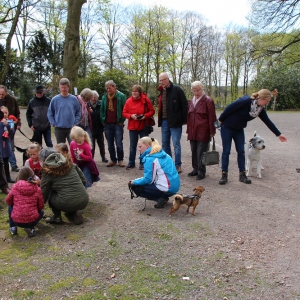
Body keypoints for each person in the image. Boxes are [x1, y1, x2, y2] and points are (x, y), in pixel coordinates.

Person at [218, 89, 287, 185]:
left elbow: (267, 122)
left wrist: (278, 134)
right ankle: (224, 175)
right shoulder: (245, 101)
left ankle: (242, 174)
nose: (268, 103)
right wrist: (220, 121)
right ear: (262, 99)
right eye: (267, 100)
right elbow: (229, 108)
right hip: (227, 127)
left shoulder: (260, 109)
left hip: (239, 130)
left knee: (241, 151)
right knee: (226, 151)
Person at [129, 137, 180, 209]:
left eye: (140, 147)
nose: (139, 149)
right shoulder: (164, 153)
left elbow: (148, 180)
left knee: (135, 186)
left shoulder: (150, 158)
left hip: (167, 188)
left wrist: (134, 182)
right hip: (175, 187)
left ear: (147, 146)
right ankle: (163, 197)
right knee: (139, 182)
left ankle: (160, 199)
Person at [41, 152, 89, 225]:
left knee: (52, 193)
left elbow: (44, 192)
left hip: (66, 202)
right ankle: (73, 212)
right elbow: (83, 180)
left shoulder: (48, 173)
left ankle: (57, 217)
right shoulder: (72, 165)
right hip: (84, 200)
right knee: (67, 194)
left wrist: (39, 207)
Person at [157, 72, 188, 174]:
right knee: (165, 144)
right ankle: (168, 164)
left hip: (175, 122)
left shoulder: (177, 90)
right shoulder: (161, 91)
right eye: (160, 80)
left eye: (163, 80)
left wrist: (184, 120)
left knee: (176, 144)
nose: (161, 82)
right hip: (164, 121)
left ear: (168, 79)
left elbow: (184, 105)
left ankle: (178, 165)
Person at [186, 81, 217, 180]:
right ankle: (195, 169)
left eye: (197, 90)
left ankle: (201, 171)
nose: (195, 92)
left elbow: (212, 117)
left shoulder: (208, 100)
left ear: (202, 89)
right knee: (194, 150)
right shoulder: (192, 101)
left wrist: (212, 131)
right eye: (194, 90)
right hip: (192, 130)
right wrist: (188, 129)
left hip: (203, 129)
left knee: (201, 152)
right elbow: (189, 116)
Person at [122, 85, 155, 170]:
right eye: (133, 91)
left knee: (144, 145)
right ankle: (131, 162)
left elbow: (152, 111)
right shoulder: (128, 101)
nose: (134, 93)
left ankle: (143, 163)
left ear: (140, 92)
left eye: (136, 91)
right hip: (133, 127)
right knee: (132, 145)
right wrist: (131, 116)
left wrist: (145, 116)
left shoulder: (145, 99)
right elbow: (124, 113)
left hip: (143, 126)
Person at [5, 166, 44, 237]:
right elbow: (41, 205)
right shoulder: (37, 189)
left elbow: (8, 200)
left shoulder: (15, 187)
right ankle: (31, 228)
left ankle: (13, 227)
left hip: (16, 220)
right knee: (41, 212)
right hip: (32, 220)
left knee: (10, 206)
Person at [100, 80, 127, 167]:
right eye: (107, 88)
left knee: (119, 143)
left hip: (117, 124)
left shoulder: (121, 96)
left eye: (110, 88)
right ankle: (113, 159)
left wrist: (121, 121)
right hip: (107, 124)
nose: (108, 90)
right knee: (110, 144)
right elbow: (102, 110)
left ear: (114, 87)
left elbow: (125, 109)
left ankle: (120, 160)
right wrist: (103, 121)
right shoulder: (104, 97)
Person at [47, 78, 81, 144]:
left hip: (71, 127)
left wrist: (76, 122)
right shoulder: (55, 99)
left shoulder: (74, 99)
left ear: (68, 87)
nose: (63, 89)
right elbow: (50, 112)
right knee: (61, 148)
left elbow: (78, 111)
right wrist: (53, 123)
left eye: (65, 88)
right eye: (62, 87)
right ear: (59, 87)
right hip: (59, 128)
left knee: (74, 146)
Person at [0, 85, 21, 172]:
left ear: (6, 93)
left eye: (3, 94)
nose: (1, 96)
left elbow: (17, 113)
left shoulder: (12, 100)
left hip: (10, 126)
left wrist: (18, 123)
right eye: (0, 94)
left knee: (10, 145)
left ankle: (13, 164)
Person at [88, 90, 108, 162]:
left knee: (101, 144)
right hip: (91, 128)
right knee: (91, 144)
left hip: (99, 127)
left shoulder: (101, 103)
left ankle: (103, 157)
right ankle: (91, 158)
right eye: (92, 97)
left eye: (95, 97)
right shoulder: (87, 105)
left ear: (97, 97)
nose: (93, 99)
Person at [0, 109, 15, 183]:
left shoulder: (9, 122)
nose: (4, 114)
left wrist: (6, 124)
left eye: (6, 112)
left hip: (5, 145)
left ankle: (8, 177)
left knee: (6, 162)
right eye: (3, 113)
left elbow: (12, 132)